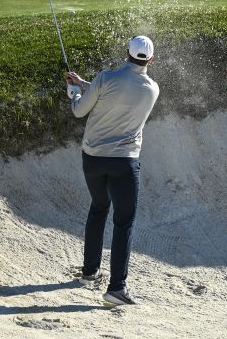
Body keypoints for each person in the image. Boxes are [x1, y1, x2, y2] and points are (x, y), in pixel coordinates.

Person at [65, 35, 161, 307]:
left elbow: (80, 110)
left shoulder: (105, 78)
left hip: (93, 159)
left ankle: (89, 272)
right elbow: (122, 96)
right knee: (124, 221)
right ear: (151, 60)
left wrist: (76, 91)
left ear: (126, 52)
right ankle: (116, 289)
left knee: (98, 207)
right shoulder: (152, 89)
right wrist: (86, 84)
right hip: (124, 163)